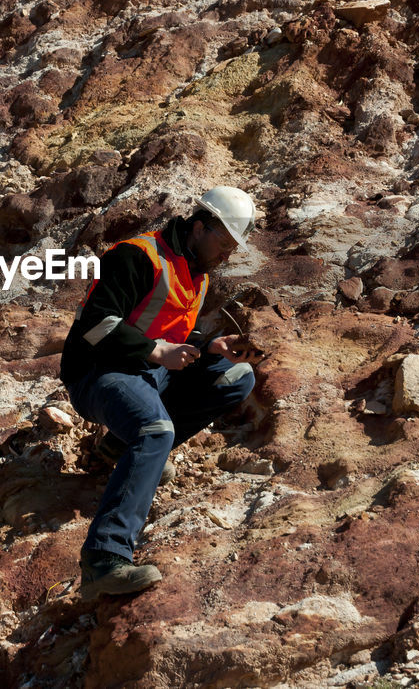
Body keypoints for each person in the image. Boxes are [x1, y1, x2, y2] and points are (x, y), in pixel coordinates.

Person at [59, 186, 262, 598]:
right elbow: (94, 325)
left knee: (236, 376)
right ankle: (103, 559)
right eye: (223, 244)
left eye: (231, 250)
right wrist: (154, 350)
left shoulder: (196, 274)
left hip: (148, 372)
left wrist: (208, 348)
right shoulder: (135, 256)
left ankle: (120, 448)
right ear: (199, 227)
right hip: (100, 373)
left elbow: (172, 334)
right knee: (155, 430)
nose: (226, 256)